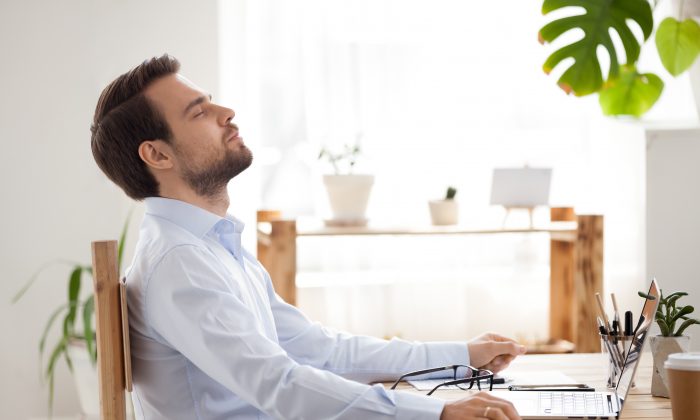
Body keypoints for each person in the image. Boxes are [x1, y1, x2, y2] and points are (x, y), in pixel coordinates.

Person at [90, 54, 525, 420]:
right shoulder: (180, 262)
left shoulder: (208, 244)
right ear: (157, 154)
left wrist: (460, 355)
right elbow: (280, 384)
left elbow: (318, 350)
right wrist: (441, 414)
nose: (227, 112)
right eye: (199, 112)